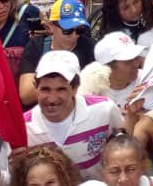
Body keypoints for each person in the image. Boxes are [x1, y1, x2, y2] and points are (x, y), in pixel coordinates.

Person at [23, 50, 123, 179]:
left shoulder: (104, 109)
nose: (52, 98)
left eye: (61, 89)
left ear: (75, 88)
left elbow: (123, 140)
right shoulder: (24, 127)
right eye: (45, 89)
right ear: (36, 88)